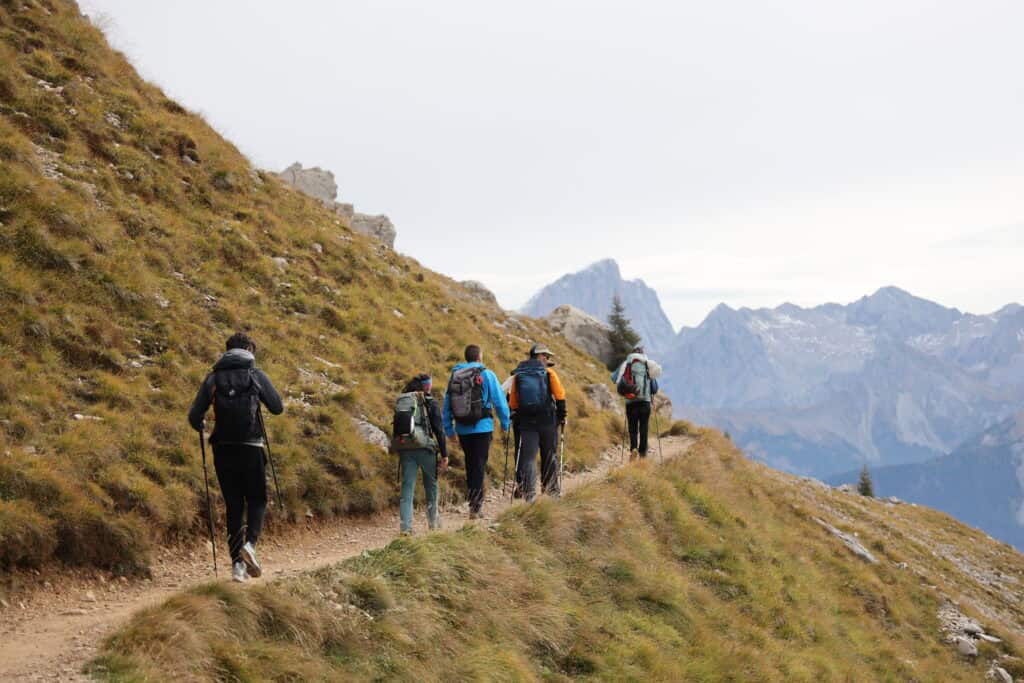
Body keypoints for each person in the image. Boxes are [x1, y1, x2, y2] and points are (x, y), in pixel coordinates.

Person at [188, 332, 284, 583]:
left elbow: (193, 416)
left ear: (227, 350)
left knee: (233, 505)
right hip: (251, 446)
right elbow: (277, 407)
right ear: (249, 350)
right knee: (257, 499)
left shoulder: (214, 378)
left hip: (223, 448)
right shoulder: (255, 374)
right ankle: (250, 545)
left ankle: (237, 567)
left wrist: (201, 425)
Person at [442, 344, 510, 519]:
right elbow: (499, 401)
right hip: (483, 428)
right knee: (479, 465)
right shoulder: (487, 374)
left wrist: (449, 430)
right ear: (479, 357)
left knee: (470, 464)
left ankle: (473, 502)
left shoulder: (455, 376)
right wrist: (505, 422)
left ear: (467, 357)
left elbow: (447, 405)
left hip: (463, 429)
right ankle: (475, 507)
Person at [509, 343, 566, 501]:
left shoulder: (519, 374)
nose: (547, 359)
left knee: (528, 458)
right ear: (539, 356)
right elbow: (560, 396)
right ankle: (551, 491)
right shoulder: (548, 373)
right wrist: (561, 416)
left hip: (527, 424)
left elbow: (513, 402)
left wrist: (517, 417)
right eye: (546, 356)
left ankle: (529, 494)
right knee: (549, 455)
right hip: (547, 420)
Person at [394, 374, 448, 534]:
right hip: (425, 449)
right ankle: (433, 523)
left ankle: (406, 527)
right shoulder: (430, 402)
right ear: (426, 386)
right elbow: (439, 429)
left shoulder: (402, 401)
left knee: (407, 486)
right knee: (431, 485)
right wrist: (444, 454)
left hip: (405, 448)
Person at [610, 345, 662, 460]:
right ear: (642, 354)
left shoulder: (626, 364)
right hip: (645, 402)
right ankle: (643, 453)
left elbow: (613, 378)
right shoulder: (647, 365)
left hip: (630, 402)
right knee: (644, 428)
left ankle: (633, 448)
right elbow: (654, 388)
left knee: (633, 428)